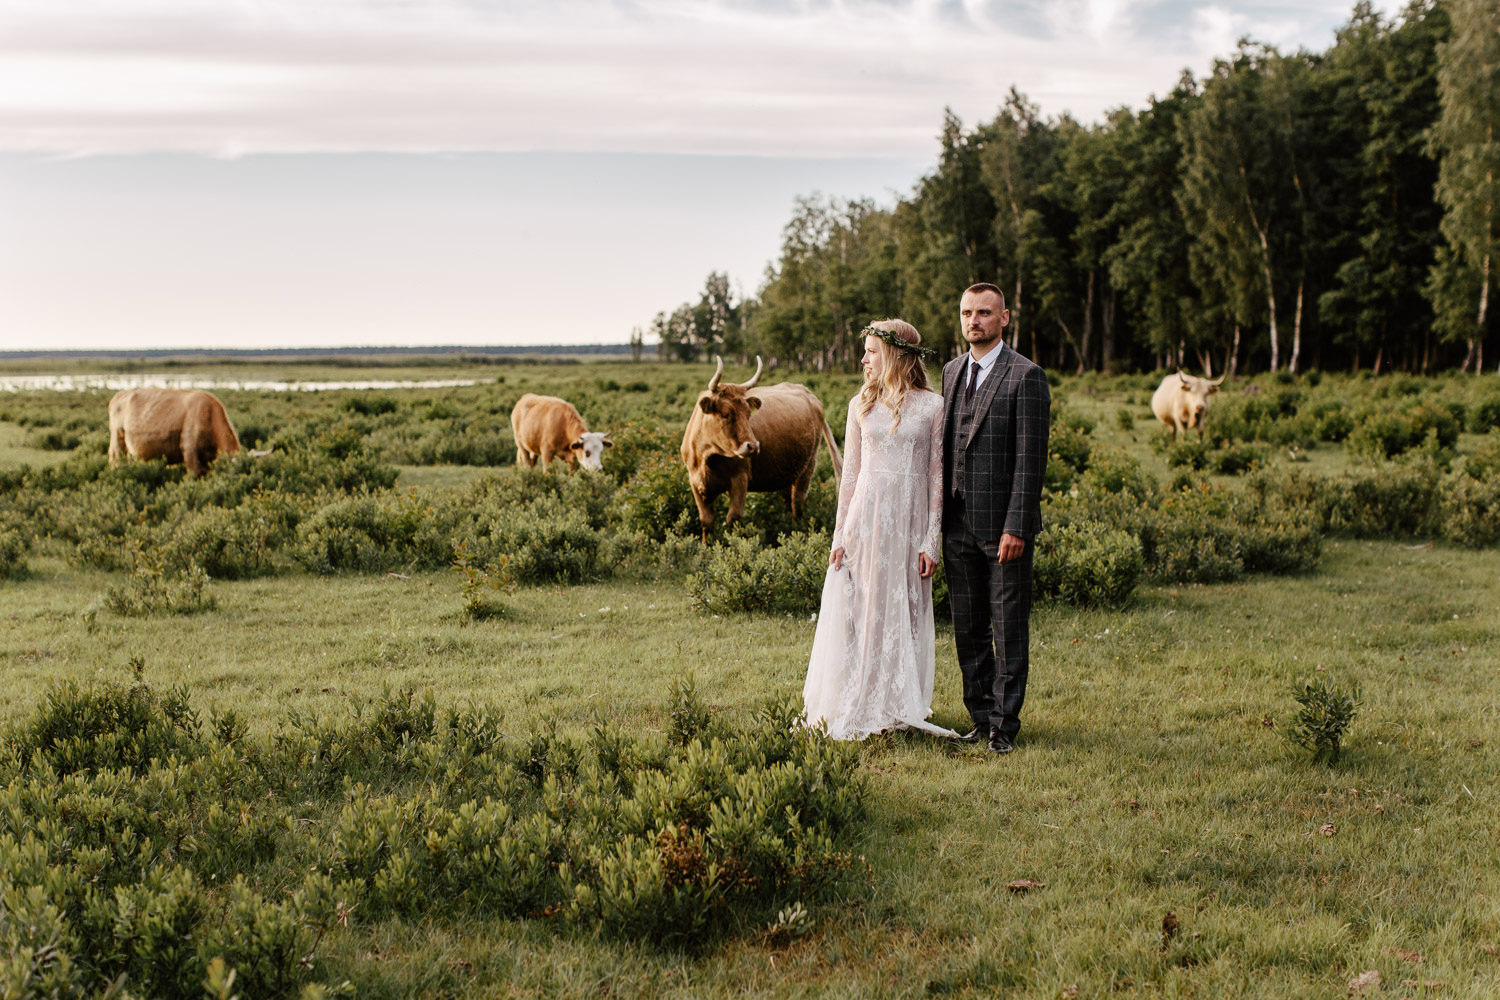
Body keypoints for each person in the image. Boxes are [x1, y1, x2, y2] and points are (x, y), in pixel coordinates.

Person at [802, 320, 957, 740]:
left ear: (895, 354)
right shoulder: (860, 405)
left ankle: (896, 702)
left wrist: (931, 540)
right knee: (861, 609)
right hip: (864, 522)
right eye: (865, 351)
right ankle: (860, 697)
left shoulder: (932, 406)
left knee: (902, 610)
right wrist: (839, 537)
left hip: (907, 522)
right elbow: (849, 475)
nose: (864, 359)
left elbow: (936, 476)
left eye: (871, 351)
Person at [941, 283, 1050, 755]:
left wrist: (1018, 526)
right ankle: (980, 716)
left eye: (984, 313)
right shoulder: (949, 371)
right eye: (967, 313)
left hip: (1003, 527)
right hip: (955, 522)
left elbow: (1031, 461)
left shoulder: (1026, 376)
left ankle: (1005, 726)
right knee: (967, 625)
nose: (974, 321)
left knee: (1008, 626)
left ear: (1004, 318)